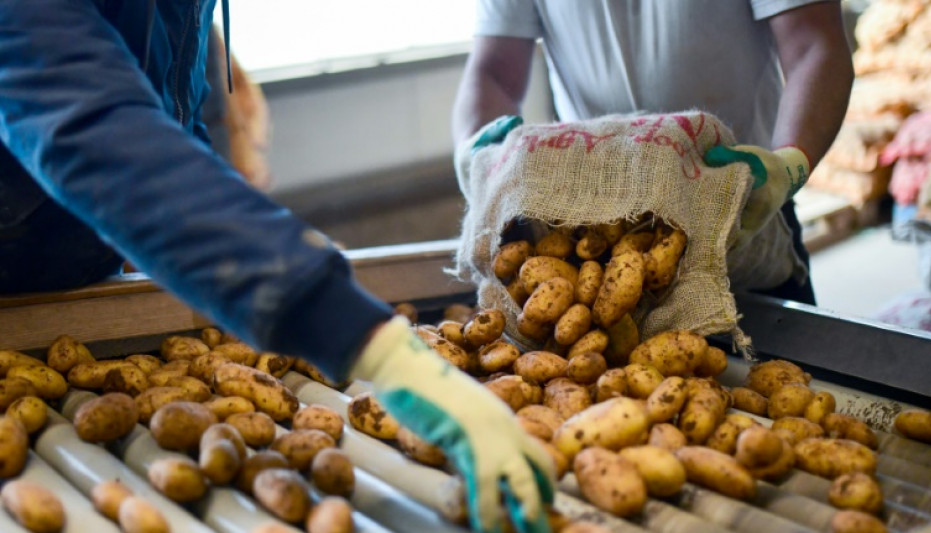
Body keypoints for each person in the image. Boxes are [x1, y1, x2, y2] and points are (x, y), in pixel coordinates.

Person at [0, 2, 553, 531]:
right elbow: (90, 123)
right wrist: (378, 349)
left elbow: (170, 97)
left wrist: (241, 249)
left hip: (74, 277)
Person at [452, 0, 856, 305]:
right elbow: (494, 72)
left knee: (779, 385)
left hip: (743, 205)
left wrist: (790, 164)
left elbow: (814, 45)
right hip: (591, 226)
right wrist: (476, 149)